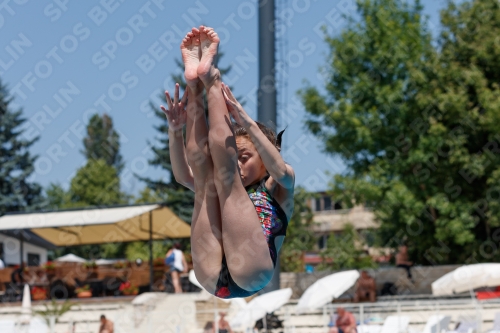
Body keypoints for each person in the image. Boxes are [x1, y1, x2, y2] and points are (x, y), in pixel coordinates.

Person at [161, 26, 294, 299]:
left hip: (251, 271)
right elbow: (182, 175)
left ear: (265, 162)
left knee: (224, 177)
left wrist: (245, 121)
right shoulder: (232, 188)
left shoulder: (278, 186)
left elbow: (280, 169)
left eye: (245, 158)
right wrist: (176, 132)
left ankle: (211, 81)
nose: (239, 165)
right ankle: (194, 84)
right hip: (212, 278)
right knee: (204, 180)